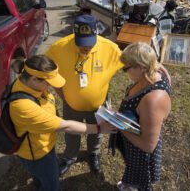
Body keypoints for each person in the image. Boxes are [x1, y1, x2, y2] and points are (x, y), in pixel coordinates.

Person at [9, 55, 114, 191]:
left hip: (43, 143)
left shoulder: (28, 84)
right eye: (48, 82)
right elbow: (67, 126)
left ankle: (40, 183)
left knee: (42, 178)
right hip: (38, 154)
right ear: (34, 78)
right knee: (51, 185)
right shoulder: (24, 107)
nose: (51, 86)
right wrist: (99, 128)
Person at [45, 14, 124, 175]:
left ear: (96, 33)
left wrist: (155, 64)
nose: (86, 48)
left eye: (89, 43)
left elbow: (132, 60)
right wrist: (64, 96)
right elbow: (48, 73)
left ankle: (93, 153)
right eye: (81, 44)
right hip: (71, 105)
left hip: (98, 105)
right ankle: (70, 157)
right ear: (74, 34)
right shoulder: (58, 48)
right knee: (71, 132)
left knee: (98, 131)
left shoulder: (110, 48)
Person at [110, 42, 171, 191]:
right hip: (133, 136)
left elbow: (148, 145)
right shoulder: (157, 71)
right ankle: (130, 185)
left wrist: (119, 125)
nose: (124, 71)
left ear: (142, 67)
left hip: (141, 150)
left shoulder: (153, 100)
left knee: (142, 178)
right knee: (131, 167)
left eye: (126, 68)